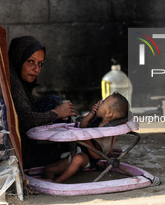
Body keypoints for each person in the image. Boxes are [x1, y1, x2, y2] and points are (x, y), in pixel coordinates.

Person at [8, 36, 76, 169]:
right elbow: (24, 119)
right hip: (22, 156)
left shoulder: (20, 83)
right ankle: (89, 151)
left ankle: (88, 148)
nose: (36, 69)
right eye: (30, 61)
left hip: (30, 146)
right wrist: (57, 113)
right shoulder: (13, 85)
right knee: (71, 154)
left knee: (52, 101)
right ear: (18, 59)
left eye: (40, 63)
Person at [42, 92, 130, 183]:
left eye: (103, 102)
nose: (99, 102)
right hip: (76, 150)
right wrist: (92, 113)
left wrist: (84, 138)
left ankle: (58, 181)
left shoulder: (107, 131)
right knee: (48, 169)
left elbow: (97, 155)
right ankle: (49, 182)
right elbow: (82, 125)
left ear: (108, 114)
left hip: (88, 158)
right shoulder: (98, 119)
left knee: (78, 159)